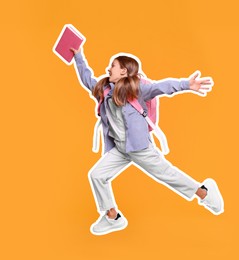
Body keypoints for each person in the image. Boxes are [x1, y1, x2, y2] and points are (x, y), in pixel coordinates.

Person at [70, 47, 224, 236]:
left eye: (113, 66)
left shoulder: (137, 89)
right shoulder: (105, 90)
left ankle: (205, 193)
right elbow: (88, 79)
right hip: (120, 148)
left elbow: (161, 87)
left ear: (124, 71)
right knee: (97, 175)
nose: (109, 68)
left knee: (167, 175)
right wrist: (78, 56)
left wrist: (186, 85)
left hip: (140, 148)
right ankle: (113, 217)